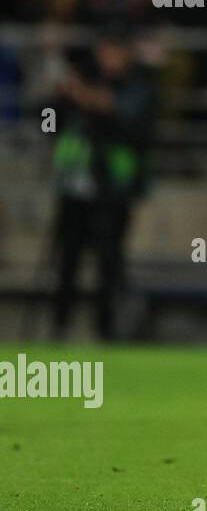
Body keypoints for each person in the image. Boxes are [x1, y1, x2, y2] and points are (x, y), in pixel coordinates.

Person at [50, 23, 156, 340]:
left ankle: (106, 329)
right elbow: (49, 121)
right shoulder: (83, 79)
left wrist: (86, 97)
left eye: (117, 50)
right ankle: (60, 326)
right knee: (67, 260)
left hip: (113, 189)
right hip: (74, 185)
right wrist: (64, 98)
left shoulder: (140, 85)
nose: (111, 57)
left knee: (110, 262)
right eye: (106, 50)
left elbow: (126, 117)